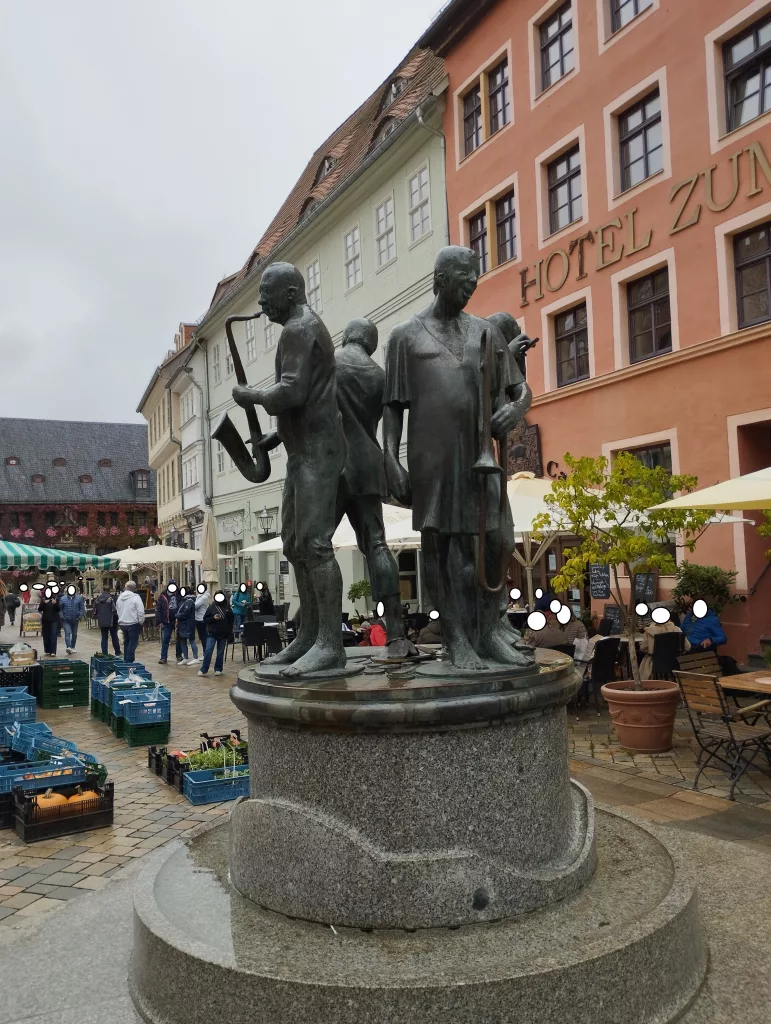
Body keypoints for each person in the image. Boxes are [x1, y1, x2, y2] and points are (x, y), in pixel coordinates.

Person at [383, 246, 533, 670]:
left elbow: (519, 389)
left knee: (499, 539)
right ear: (441, 278)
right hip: (433, 456)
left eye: (474, 280)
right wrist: (391, 459)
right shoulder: (404, 337)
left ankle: (488, 630)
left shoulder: (485, 332)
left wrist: (515, 409)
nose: (471, 286)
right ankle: (456, 639)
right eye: (464, 278)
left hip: (479, 454)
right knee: (441, 548)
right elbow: (393, 406)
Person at [232, 261, 346, 677]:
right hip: (303, 451)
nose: (262, 301)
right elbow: (313, 397)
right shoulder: (297, 329)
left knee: (314, 544)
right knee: (295, 543)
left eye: (268, 293)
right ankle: (310, 635)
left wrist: (252, 396)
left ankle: (330, 645)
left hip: (317, 453)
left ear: (292, 294)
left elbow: (294, 392)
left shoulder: (300, 328)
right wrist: (275, 438)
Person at [334, 318, 406, 647]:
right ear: (371, 343)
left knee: (315, 546)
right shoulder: (380, 376)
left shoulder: (329, 364)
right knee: (378, 544)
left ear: (349, 335)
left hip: (334, 466)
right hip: (369, 465)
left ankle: (323, 636)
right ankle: (397, 630)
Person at [680, 596, 738, 676]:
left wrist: (710, 640)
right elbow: (681, 630)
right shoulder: (689, 617)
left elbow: (723, 638)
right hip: (684, 646)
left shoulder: (712, 620)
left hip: (699, 648)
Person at [639, 609, 685, 679]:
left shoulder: (648, 631)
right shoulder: (677, 630)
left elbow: (643, 648)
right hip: (674, 662)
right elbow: (688, 646)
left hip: (655, 663)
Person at [198, 591, 234, 677]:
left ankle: (218, 668)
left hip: (223, 633)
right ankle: (204, 669)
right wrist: (213, 618)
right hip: (212, 632)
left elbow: (231, 620)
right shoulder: (211, 607)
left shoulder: (227, 607)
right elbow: (205, 619)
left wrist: (229, 631)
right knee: (208, 650)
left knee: (220, 652)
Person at [116, 581, 145, 663]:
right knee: (133, 642)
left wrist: (121, 618)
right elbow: (141, 612)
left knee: (127, 642)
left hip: (122, 623)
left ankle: (126, 660)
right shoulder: (136, 598)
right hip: (133, 623)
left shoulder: (120, 597)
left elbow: (118, 609)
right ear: (134, 588)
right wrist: (140, 621)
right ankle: (129, 661)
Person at [155, 581, 182, 665]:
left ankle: (179, 656)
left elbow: (182, 605)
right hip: (167, 621)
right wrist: (159, 620)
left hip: (177, 620)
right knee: (165, 639)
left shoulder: (179, 594)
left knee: (179, 639)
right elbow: (158, 609)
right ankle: (163, 657)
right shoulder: (163, 596)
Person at [94, 583, 121, 656]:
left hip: (102, 621)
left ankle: (104, 653)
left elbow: (95, 611)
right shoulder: (112, 598)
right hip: (111, 620)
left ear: (103, 590)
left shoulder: (97, 599)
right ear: (109, 590)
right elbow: (115, 610)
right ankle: (117, 651)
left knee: (104, 637)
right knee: (114, 636)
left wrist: (99, 616)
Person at [59, 584, 85, 654]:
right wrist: (62, 617)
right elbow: (60, 609)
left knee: (74, 634)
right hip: (66, 619)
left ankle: (73, 647)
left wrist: (80, 616)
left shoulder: (79, 598)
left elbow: (82, 608)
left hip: (75, 619)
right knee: (67, 632)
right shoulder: (63, 599)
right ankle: (68, 647)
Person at [175, 590, 200, 665]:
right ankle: (185, 658)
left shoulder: (189, 601)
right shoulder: (184, 600)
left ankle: (195, 658)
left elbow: (186, 613)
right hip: (182, 624)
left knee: (191, 640)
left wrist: (177, 616)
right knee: (183, 641)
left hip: (188, 624)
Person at [39, 587, 61, 656]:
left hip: (54, 620)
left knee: (53, 635)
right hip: (45, 620)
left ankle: (53, 651)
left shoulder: (55, 599)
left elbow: (58, 609)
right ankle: (47, 650)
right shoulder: (43, 599)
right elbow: (39, 609)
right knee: (46, 636)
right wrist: (43, 603)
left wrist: (55, 604)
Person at [195, 584, 210, 648]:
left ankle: (205, 652)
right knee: (202, 637)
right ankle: (205, 652)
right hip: (198, 618)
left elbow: (196, 606)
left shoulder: (204, 597)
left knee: (204, 637)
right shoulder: (200, 596)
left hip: (201, 618)